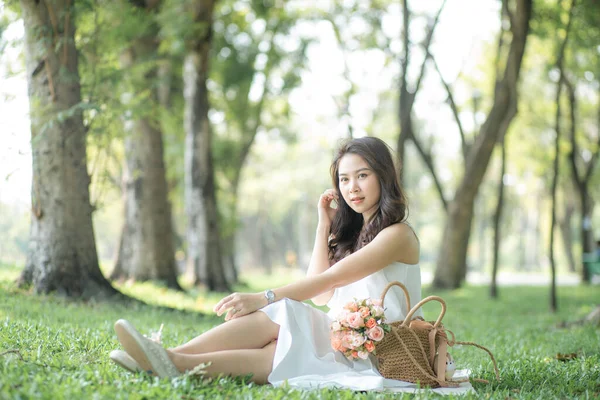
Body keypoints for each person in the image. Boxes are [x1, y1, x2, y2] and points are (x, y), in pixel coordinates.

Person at [111, 137, 425, 390]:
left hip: (384, 354)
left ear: (383, 177)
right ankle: (169, 358)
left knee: (283, 334)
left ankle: (170, 361)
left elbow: (328, 281)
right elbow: (321, 298)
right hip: (342, 340)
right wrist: (323, 226)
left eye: (362, 176)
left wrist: (264, 297)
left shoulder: (397, 235)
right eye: (344, 179)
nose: (352, 187)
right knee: (284, 326)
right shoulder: (352, 236)